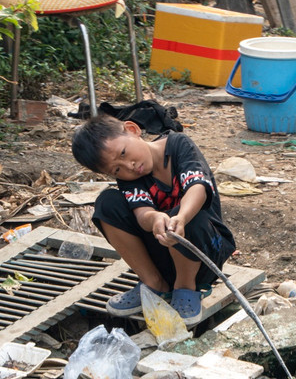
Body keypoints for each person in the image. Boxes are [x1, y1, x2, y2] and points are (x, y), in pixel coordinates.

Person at [71, 114, 235, 325]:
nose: (129, 166)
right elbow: (142, 213)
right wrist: (155, 218)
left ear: (132, 129)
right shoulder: (130, 179)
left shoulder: (178, 145)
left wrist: (181, 217)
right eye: (117, 169)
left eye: (123, 153)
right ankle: (154, 284)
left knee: (187, 212)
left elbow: (198, 188)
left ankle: (185, 288)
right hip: (163, 255)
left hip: (203, 255)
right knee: (107, 202)